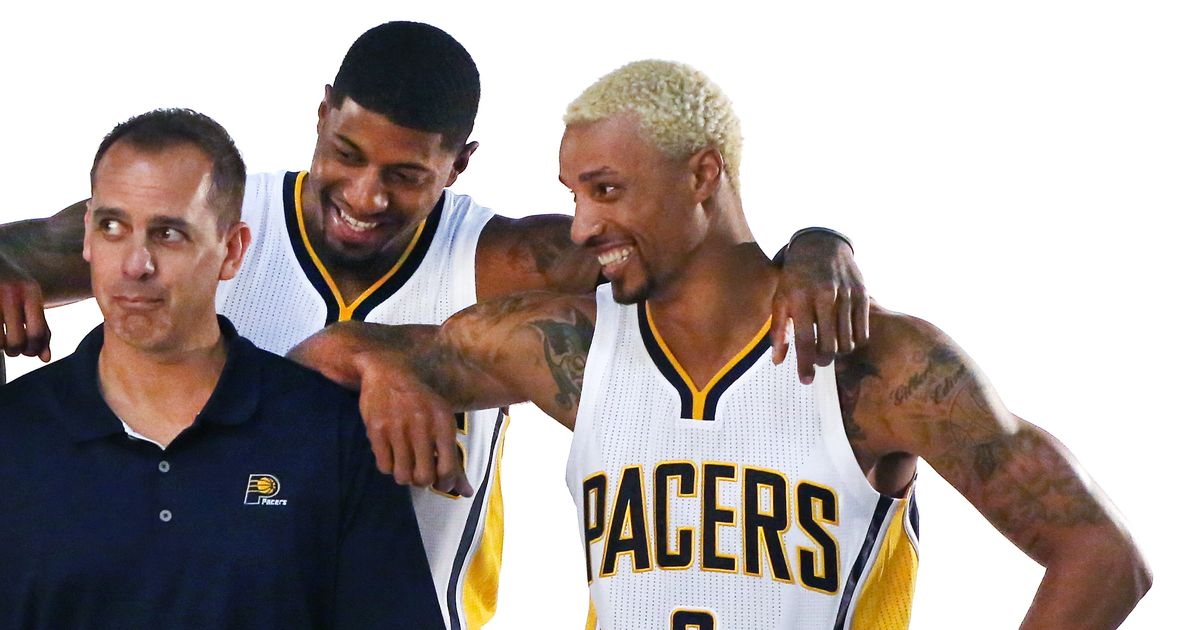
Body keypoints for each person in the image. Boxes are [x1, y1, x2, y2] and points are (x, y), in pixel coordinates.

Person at [0, 21, 871, 629]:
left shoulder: (507, 263)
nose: (364, 195)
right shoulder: (207, 218)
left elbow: (693, 255)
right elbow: (47, 245)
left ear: (459, 164)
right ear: (322, 114)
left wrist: (816, 247)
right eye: (347, 154)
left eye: (407, 175)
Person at [291, 60, 1152, 629]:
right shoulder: (569, 345)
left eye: (607, 191)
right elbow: (321, 354)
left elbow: (1102, 558)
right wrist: (377, 365)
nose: (582, 226)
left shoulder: (875, 362)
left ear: (703, 174)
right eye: (575, 194)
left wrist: (822, 239)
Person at [0, 108, 443, 629]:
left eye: (168, 234)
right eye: (113, 227)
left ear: (232, 251)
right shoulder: (13, 433)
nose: (135, 264)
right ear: (87, 238)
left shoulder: (331, 435)